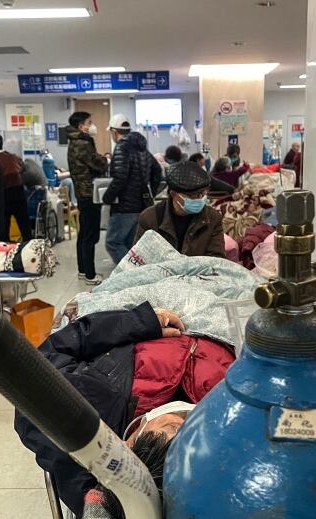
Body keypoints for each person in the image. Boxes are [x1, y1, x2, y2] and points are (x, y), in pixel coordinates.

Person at [15, 302, 233, 515]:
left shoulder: (92, 412)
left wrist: (137, 322)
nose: (182, 413)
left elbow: (36, 371)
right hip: (225, 323)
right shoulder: (236, 423)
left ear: (127, 445)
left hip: (140, 316)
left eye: (173, 422)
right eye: (189, 424)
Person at [103, 114, 162, 264]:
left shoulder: (122, 148)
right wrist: (150, 193)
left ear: (115, 132)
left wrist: (107, 198)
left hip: (124, 206)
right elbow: (157, 171)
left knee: (113, 243)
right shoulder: (142, 149)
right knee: (130, 244)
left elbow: (120, 177)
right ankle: (136, 272)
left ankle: (130, 272)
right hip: (140, 205)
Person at [135, 161, 225, 258]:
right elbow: (140, 259)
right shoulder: (150, 218)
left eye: (202, 194)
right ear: (174, 194)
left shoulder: (212, 218)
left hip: (200, 273)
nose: (199, 199)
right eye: (193, 196)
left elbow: (216, 259)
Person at [67, 111, 109, 285]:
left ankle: (83, 270)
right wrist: (105, 159)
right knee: (90, 235)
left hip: (82, 192)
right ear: (81, 126)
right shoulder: (83, 143)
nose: (92, 126)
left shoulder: (75, 141)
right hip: (89, 193)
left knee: (84, 233)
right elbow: (97, 162)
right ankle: (90, 275)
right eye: (89, 122)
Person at [0, 133, 31, 241]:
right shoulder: (14, 157)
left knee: (4, 229)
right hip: (19, 194)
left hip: (2, 197)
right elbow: (23, 169)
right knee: (24, 226)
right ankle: (30, 250)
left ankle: (7, 254)